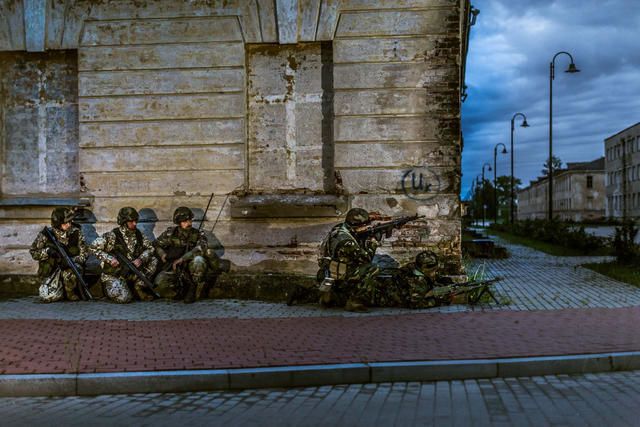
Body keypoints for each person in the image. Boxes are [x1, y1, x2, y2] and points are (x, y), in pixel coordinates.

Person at [154, 206, 223, 303]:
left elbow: (201, 248)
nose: (189, 223)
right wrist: (163, 255)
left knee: (198, 260)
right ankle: (179, 291)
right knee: (159, 284)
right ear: (178, 222)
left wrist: (183, 259)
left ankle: (193, 288)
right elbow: (156, 244)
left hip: (190, 265)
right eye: (185, 221)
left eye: (190, 220)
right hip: (174, 266)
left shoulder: (198, 234)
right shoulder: (170, 234)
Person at [317, 208, 381, 311]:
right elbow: (366, 258)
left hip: (329, 269)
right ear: (356, 226)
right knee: (372, 269)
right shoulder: (347, 243)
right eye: (364, 226)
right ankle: (354, 302)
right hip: (339, 273)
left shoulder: (339, 229)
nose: (366, 227)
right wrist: (372, 243)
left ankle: (327, 296)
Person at [91, 207, 158, 303]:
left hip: (131, 272)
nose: (135, 224)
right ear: (124, 221)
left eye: (135, 221)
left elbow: (150, 248)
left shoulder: (139, 235)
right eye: (131, 221)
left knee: (153, 260)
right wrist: (110, 259)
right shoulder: (112, 236)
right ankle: (109, 288)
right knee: (125, 298)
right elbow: (93, 247)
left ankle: (138, 287)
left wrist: (141, 259)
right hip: (115, 274)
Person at [29, 207, 90, 302]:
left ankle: (70, 292)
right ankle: (59, 291)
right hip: (52, 270)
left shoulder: (76, 232)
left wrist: (71, 261)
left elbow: (84, 254)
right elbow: (34, 252)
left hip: (69, 270)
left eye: (70, 221)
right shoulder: (47, 234)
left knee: (73, 270)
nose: (69, 225)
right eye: (65, 223)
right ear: (57, 223)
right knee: (48, 297)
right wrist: (47, 252)